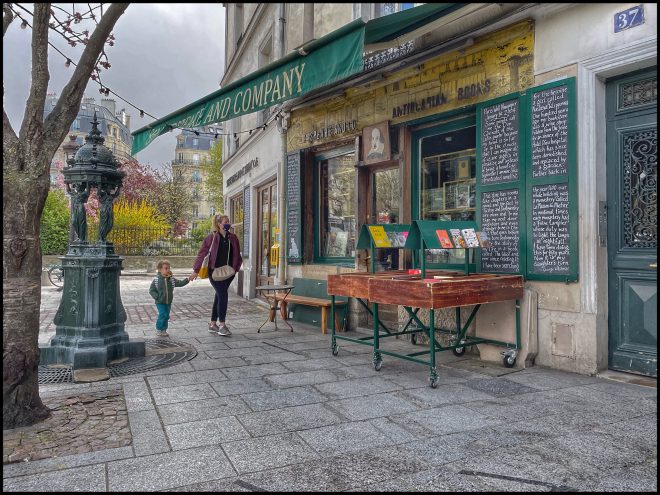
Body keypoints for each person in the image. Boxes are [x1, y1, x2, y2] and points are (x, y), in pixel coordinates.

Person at [191, 214, 243, 336]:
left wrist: (236, 268)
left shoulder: (233, 238)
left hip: (229, 272)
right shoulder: (211, 238)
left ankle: (213, 324)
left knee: (219, 296)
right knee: (223, 295)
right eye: (226, 221)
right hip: (214, 272)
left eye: (228, 221)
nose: (228, 223)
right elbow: (201, 254)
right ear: (219, 224)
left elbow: (237, 254)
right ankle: (222, 325)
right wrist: (195, 270)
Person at [149, 260, 191, 338]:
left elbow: (180, 283)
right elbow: (151, 290)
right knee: (162, 314)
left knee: (167, 315)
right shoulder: (156, 280)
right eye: (166, 268)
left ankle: (164, 329)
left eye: (169, 268)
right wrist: (157, 297)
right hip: (160, 302)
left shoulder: (171, 280)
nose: (168, 270)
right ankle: (159, 329)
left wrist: (187, 279)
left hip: (168, 301)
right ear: (160, 269)